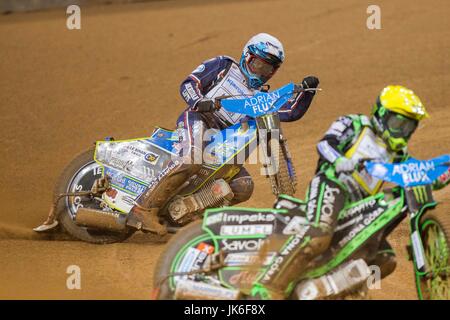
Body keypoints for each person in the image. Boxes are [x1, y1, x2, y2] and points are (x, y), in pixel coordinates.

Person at [251, 85, 450, 299]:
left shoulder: (399, 154)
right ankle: (267, 285)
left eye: (408, 127)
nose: (402, 132)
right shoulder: (355, 124)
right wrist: (340, 160)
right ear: (382, 115)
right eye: (398, 124)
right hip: (333, 185)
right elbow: (325, 145)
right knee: (319, 233)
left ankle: (336, 289)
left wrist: (437, 178)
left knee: (386, 258)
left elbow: (413, 174)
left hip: (362, 204)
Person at [126, 33, 320, 235]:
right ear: (247, 56)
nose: (261, 73)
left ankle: (185, 218)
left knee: (243, 185)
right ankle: (142, 209)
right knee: (192, 157)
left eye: (268, 70)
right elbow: (189, 84)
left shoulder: (261, 99)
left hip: (224, 138)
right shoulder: (224, 66)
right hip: (199, 118)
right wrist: (199, 102)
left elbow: (291, 112)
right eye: (258, 65)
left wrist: (308, 92)